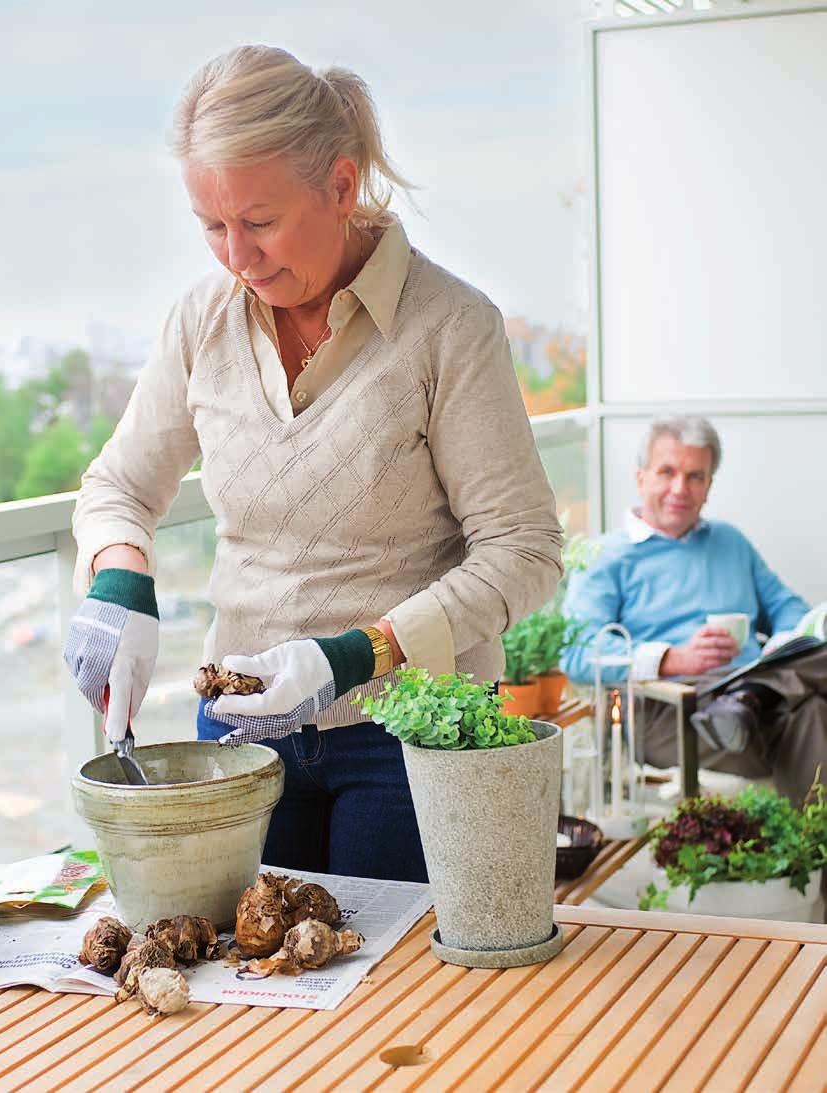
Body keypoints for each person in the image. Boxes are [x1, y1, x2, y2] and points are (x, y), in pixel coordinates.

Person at [63, 46, 563, 883]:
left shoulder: (449, 327)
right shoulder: (202, 323)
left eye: (259, 222)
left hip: (412, 732)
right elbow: (118, 486)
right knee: (243, 988)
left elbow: (525, 549)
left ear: (340, 183)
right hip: (243, 733)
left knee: (395, 1000)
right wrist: (121, 579)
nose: (236, 256)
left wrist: (360, 653)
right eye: (212, 226)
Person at [560, 415, 826, 808]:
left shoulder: (730, 543)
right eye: (667, 472)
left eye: (695, 476)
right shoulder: (605, 557)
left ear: (709, 486)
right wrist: (671, 658)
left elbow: (789, 610)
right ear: (641, 478)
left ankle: (754, 694)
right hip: (671, 712)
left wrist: (778, 652)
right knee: (816, 714)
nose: (679, 489)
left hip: (755, 704)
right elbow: (577, 654)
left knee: (813, 705)